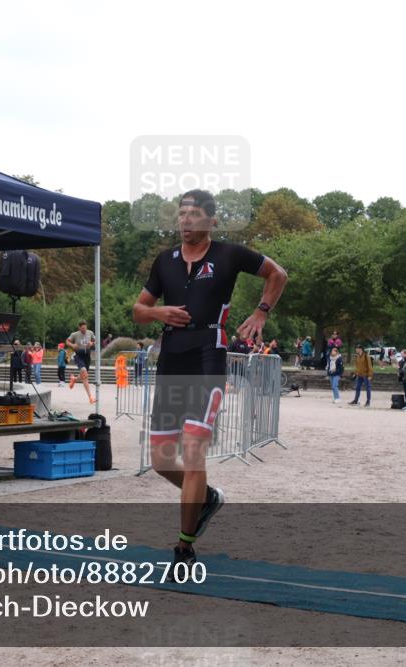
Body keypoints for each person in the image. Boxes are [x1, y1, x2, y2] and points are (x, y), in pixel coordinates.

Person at [131, 188, 287, 565]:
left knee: (193, 451)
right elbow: (138, 309)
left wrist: (262, 312)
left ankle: (184, 547)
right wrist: (158, 313)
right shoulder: (164, 261)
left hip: (207, 354)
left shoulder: (228, 254)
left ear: (211, 220)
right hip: (172, 356)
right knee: (160, 459)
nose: (185, 220)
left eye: (194, 214)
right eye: (181, 214)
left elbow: (277, 274)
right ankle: (207, 497)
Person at [66, 320, 96, 403]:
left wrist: (92, 343)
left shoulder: (90, 333)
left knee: (84, 376)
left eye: (85, 328)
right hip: (79, 355)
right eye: (82, 328)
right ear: (79, 328)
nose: (84, 330)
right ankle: (90, 397)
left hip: (87, 356)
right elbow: (67, 341)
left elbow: (95, 341)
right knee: (84, 374)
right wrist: (72, 345)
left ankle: (74, 379)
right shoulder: (75, 334)